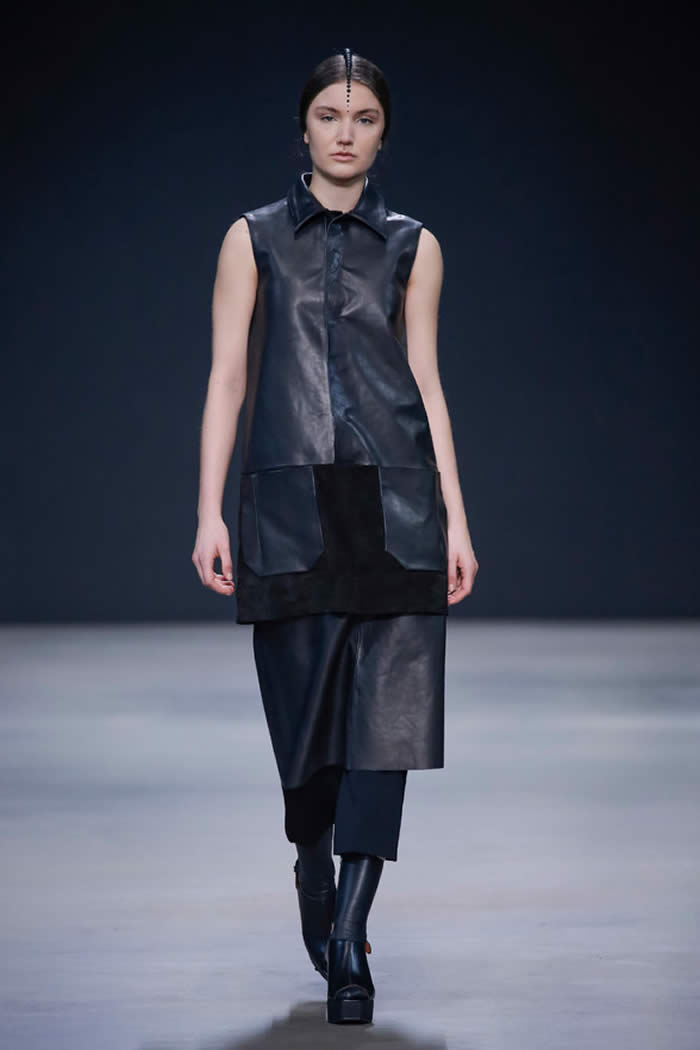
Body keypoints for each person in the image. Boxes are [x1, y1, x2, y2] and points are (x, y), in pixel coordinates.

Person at [192, 48, 478, 1025]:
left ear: (383, 133)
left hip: (396, 503)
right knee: (305, 740)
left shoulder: (413, 246)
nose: (345, 132)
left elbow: (426, 383)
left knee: (386, 729)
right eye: (329, 115)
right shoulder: (252, 239)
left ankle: (350, 936)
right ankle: (310, 860)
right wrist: (207, 510)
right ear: (304, 128)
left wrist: (457, 517)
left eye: (363, 117)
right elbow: (229, 377)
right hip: (289, 505)